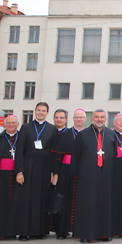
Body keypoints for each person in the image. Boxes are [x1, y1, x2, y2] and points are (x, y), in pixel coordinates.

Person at [13, 102, 60, 240]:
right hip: (28, 166)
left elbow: (54, 153)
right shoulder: (26, 127)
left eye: (43, 110)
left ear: (47, 112)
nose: (40, 112)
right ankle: (23, 232)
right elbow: (20, 150)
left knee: (41, 199)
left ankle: (39, 231)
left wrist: (53, 172)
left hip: (45, 167)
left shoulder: (52, 129)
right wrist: (19, 171)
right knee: (26, 199)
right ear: (35, 111)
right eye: (38, 110)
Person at [71, 110, 115, 243]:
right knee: (87, 205)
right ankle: (85, 234)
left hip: (106, 175)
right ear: (92, 118)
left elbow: (114, 155)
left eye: (102, 117)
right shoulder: (83, 134)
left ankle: (105, 233)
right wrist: (76, 175)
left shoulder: (111, 134)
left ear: (105, 118)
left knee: (105, 204)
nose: (99, 119)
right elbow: (76, 156)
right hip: (87, 175)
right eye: (97, 117)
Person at [51, 108, 86, 239]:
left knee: (81, 200)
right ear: (73, 119)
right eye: (76, 117)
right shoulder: (65, 134)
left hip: (83, 171)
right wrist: (55, 174)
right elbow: (58, 157)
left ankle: (78, 229)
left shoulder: (88, 133)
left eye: (81, 117)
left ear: (85, 119)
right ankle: (62, 230)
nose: (79, 119)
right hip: (65, 170)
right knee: (65, 199)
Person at [1, 115, 20, 240]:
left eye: (14, 123)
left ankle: (13, 231)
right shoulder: (1, 137)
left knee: (16, 203)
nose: (11, 125)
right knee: (2, 203)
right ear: (4, 124)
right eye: (9, 123)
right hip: (2, 175)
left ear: (17, 124)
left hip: (18, 174)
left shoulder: (22, 137)